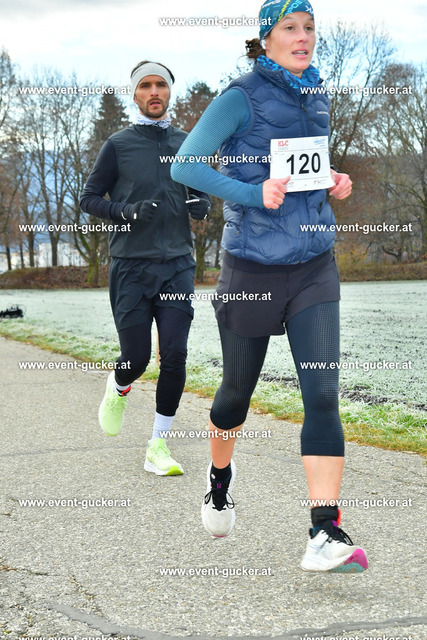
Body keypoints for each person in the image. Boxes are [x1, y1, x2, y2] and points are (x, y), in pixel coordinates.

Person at [171, 1, 368, 572]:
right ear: (266, 38)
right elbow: (185, 165)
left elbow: (303, 169)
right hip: (252, 269)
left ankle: (324, 530)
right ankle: (219, 479)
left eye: (310, 28)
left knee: (323, 393)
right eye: (290, 28)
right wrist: (252, 194)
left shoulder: (317, 96)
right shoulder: (240, 97)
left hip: (313, 264)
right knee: (235, 395)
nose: (303, 37)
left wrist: (332, 181)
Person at [80, 60, 210, 476]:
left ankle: (158, 444)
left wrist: (202, 204)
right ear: (135, 94)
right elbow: (89, 198)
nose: (154, 92)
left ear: (169, 92)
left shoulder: (188, 142)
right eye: (146, 86)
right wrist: (126, 211)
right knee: (136, 359)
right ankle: (119, 385)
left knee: (174, 355)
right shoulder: (118, 144)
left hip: (177, 264)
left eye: (161, 85)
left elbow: (201, 192)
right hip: (131, 267)